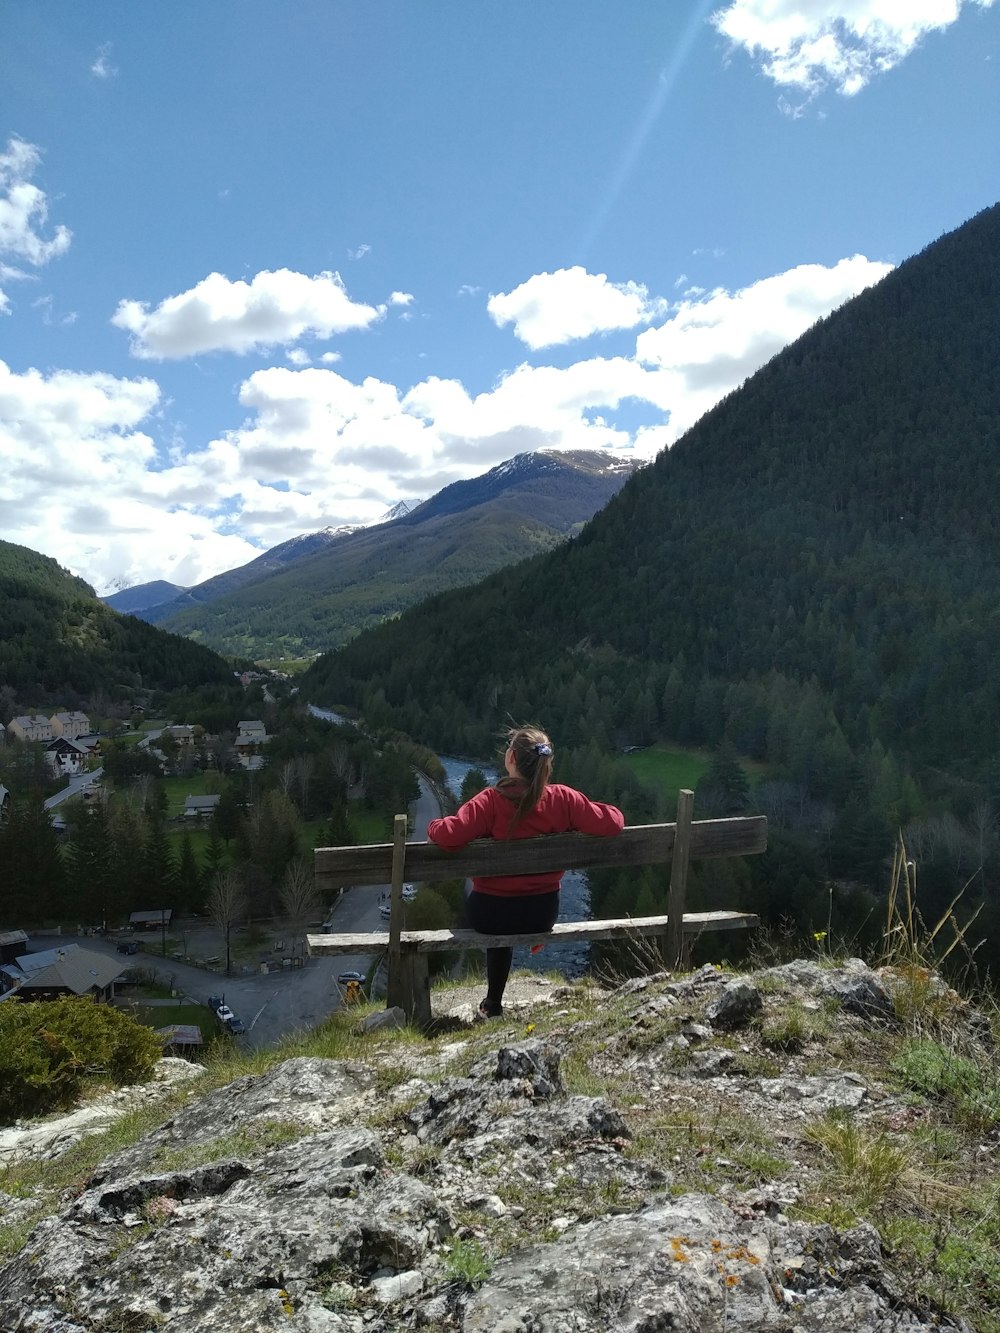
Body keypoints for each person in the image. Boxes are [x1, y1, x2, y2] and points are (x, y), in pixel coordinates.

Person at [426, 724, 624, 1019]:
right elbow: (614, 822)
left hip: (491, 916)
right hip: (542, 914)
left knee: (489, 901)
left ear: (511, 760)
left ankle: (493, 1004)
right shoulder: (563, 799)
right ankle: (503, 986)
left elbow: (448, 835)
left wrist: (432, 826)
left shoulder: (490, 801)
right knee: (516, 904)